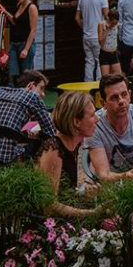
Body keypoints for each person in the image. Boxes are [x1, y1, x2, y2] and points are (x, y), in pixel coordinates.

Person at [37, 90, 100, 218]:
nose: (97, 119)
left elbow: (65, 192)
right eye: (92, 115)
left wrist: (85, 194)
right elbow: (48, 205)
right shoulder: (53, 149)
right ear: (76, 122)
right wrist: (90, 213)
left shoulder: (72, 145)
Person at [0, 69, 57, 163]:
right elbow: (51, 131)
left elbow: (8, 123)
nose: (43, 94)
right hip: (7, 159)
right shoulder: (32, 97)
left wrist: (32, 127)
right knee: (44, 141)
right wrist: (40, 132)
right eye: (41, 88)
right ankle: (37, 175)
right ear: (30, 85)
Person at [76, 0, 109, 82]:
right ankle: (99, 85)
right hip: (98, 35)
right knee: (100, 61)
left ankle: (88, 84)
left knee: (89, 61)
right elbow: (107, 15)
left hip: (86, 35)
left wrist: (84, 26)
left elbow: (77, 18)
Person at [5, 0, 38, 84]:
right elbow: (16, 22)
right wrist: (6, 13)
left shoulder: (31, 7)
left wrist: (26, 49)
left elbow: (33, 30)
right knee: (13, 74)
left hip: (25, 43)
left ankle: (26, 97)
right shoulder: (19, 6)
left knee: (26, 76)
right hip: (14, 43)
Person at [97, 7, 121, 76]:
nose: (114, 25)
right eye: (113, 23)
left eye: (115, 23)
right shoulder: (101, 25)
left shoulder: (117, 25)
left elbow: (116, 37)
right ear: (109, 19)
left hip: (113, 53)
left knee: (119, 76)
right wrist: (107, 29)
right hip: (105, 53)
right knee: (106, 77)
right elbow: (101, 42)